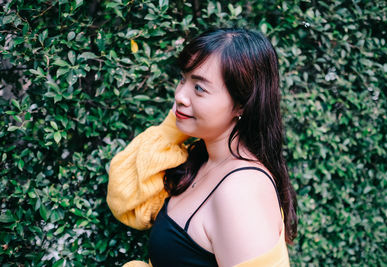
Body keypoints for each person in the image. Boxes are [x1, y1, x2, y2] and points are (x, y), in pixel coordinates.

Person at [107, 28, 297, 267]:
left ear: (241, 105)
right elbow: (127, 198)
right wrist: (174, 126)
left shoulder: (240, 191)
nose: (180, 96)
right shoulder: (201, 158)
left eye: (199, 88)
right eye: (182, 79)